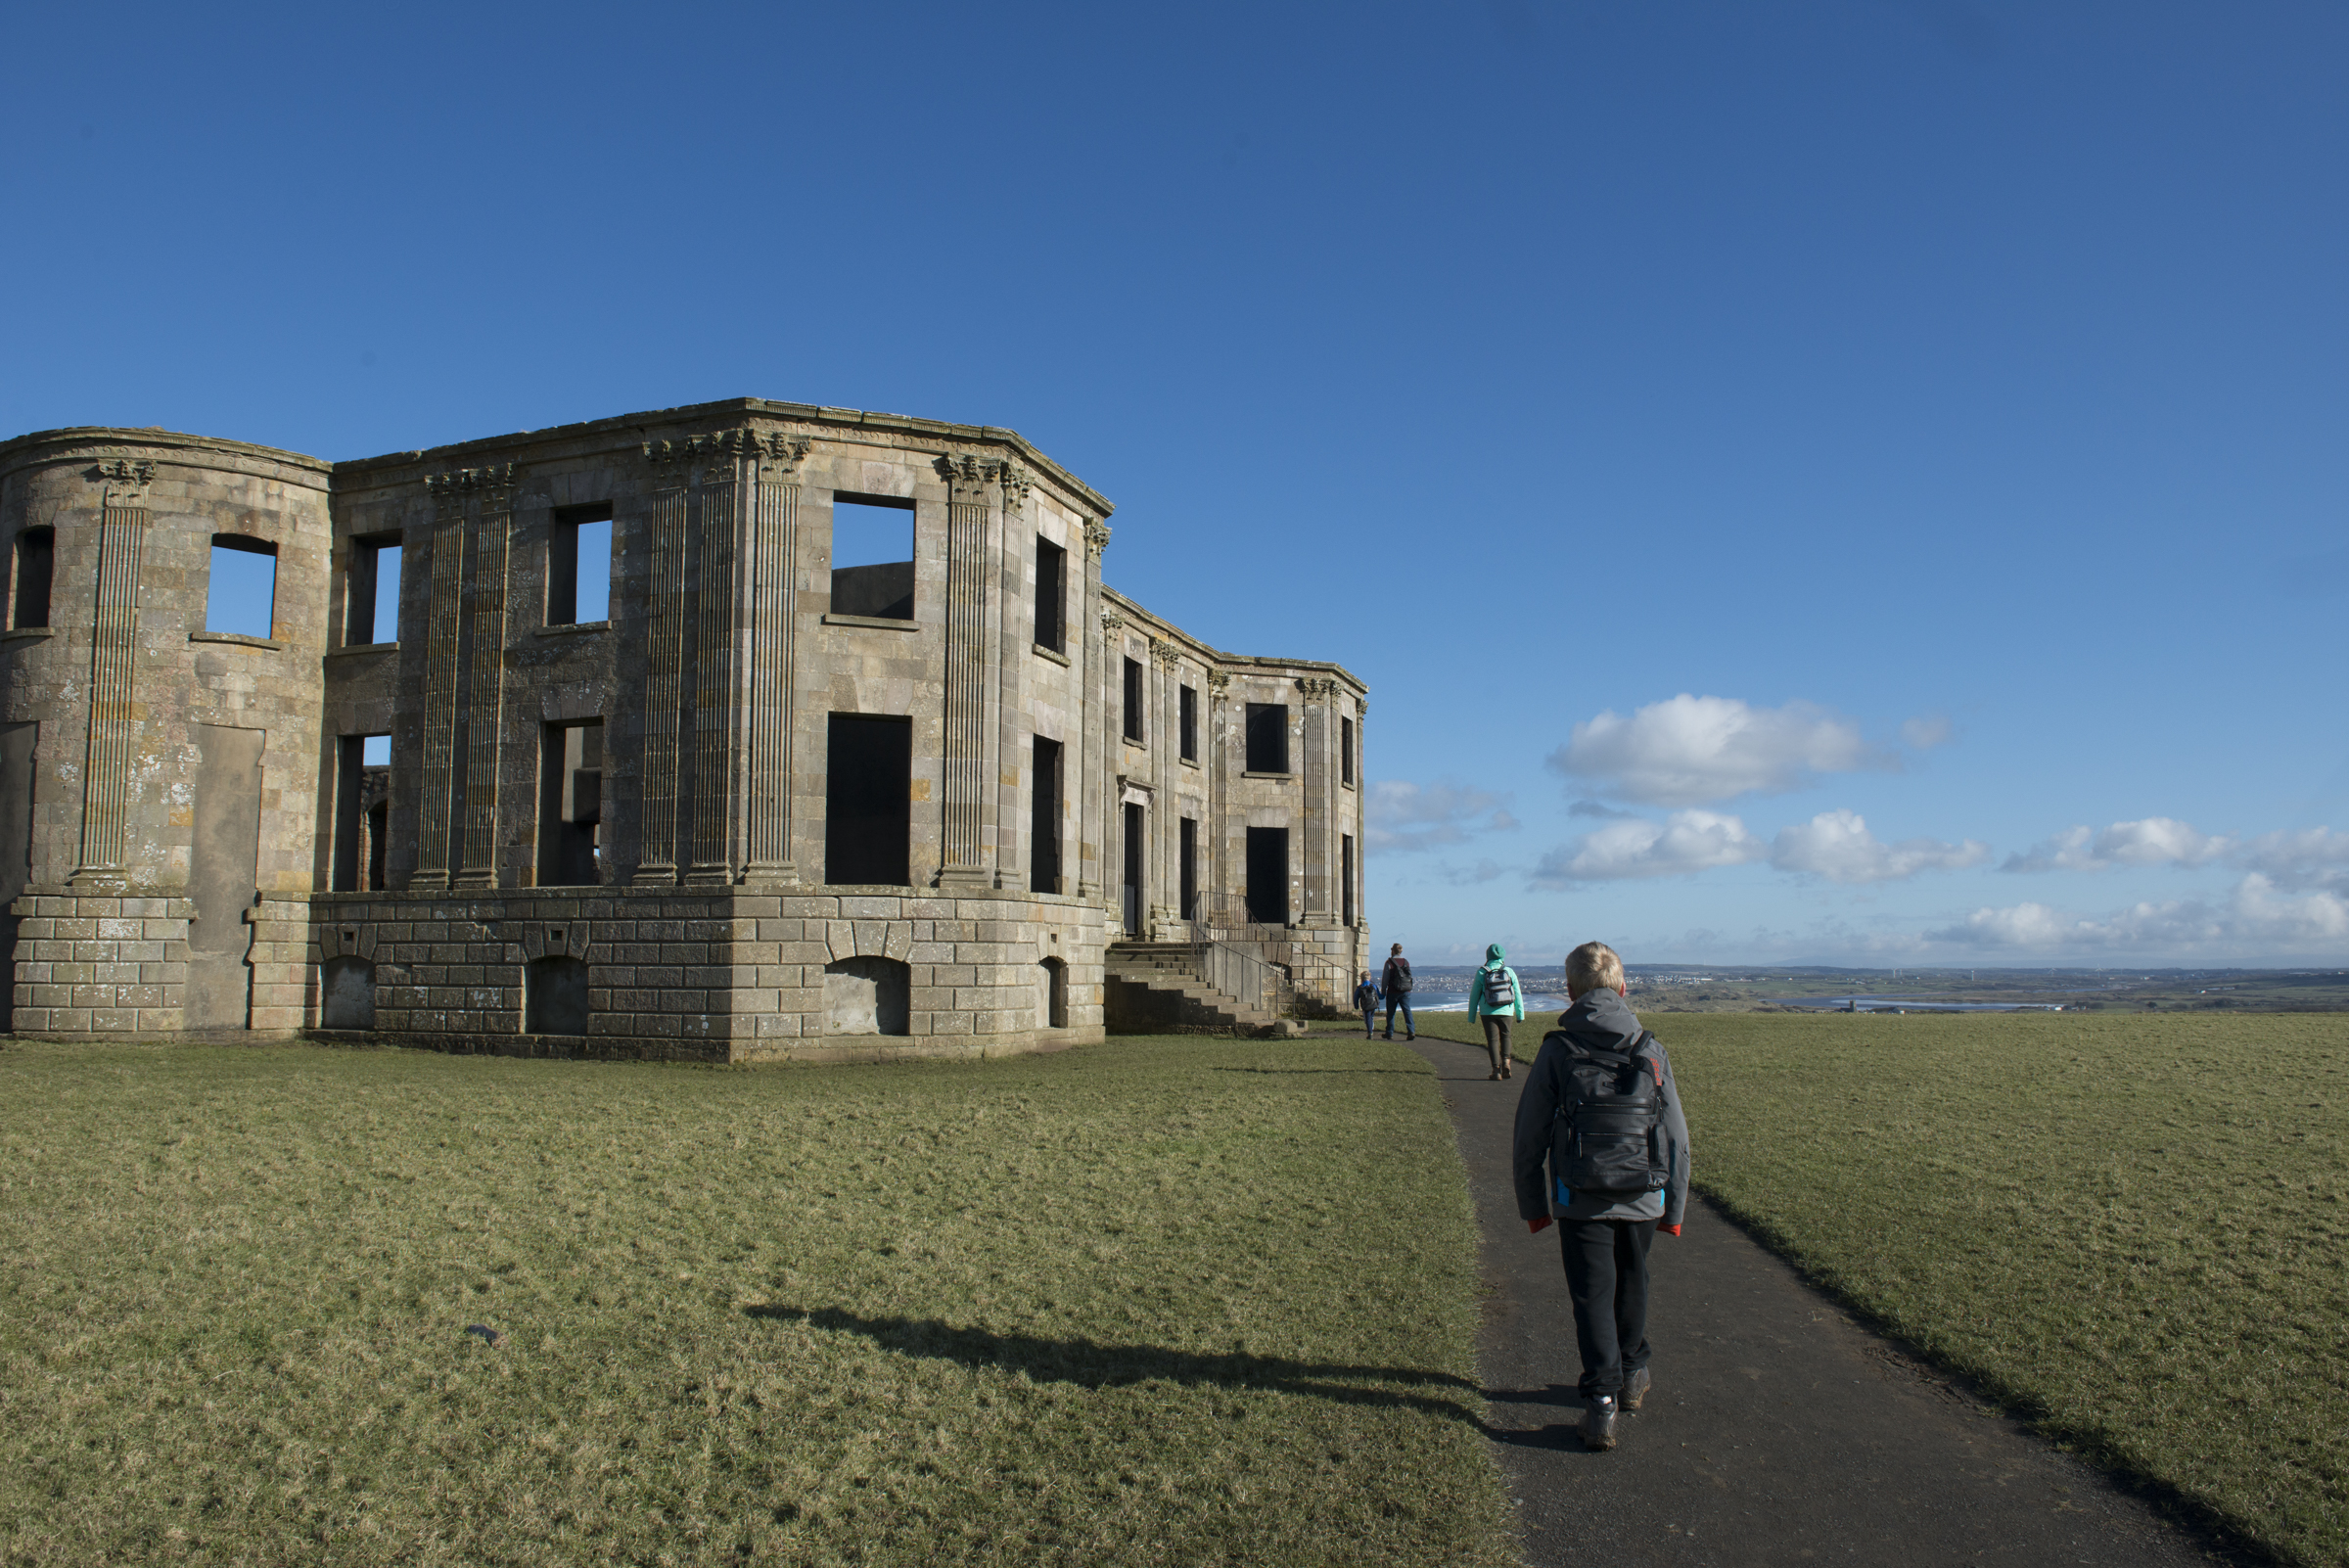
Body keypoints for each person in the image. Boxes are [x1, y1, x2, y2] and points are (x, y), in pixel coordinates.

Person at [1510, 941, 1690, 1452]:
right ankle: (1632, 1374)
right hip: (1642, 1194)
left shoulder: (1557, 1049)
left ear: (1569, 991)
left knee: (1591, 1293)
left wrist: (1534, 1206)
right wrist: (1672, 1207)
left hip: (1578, 1192)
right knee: (1632, 1281)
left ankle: (1602, 1403)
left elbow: (1530, 1135)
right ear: (1623, 987)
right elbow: (1675, 1137)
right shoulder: (1650, 1049)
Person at [1466, 943, 1526, 1082]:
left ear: (1487, 956)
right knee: (1506, 1036)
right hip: (1507, 1010)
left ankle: (1496, 1070)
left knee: (1492, 1040)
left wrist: (1471, 1016)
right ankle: (1506, 1062)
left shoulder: (1482, 972)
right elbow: (1517, 994)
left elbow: (1474, 995)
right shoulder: (1509, 971)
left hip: (1488, 1011)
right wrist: (1520, 1014)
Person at [1379, 944, 1415, 1039]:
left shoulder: (1389, 963)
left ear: (1393, 951)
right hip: (1406, 991)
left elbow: (1385, 978)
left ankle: (1389, 1032)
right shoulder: (1406, 962)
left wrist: (1383, 991)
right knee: (1407, 1011)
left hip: (1393, 991)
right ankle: (1411, 1031)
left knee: (1391, 1013)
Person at [1352, 970, 1380, 1038]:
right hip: (1373, 1004)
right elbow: (1379, 995)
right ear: (1369, 978)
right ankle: (1371, 1028)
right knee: (1371, 1017)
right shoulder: (1374, 986)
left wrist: (1356, 1006)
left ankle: (1370, 1032)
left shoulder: (1360, 987)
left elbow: (1356, 997)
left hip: (1365, 1005)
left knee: (1367, 1018)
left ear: (1362, 978)